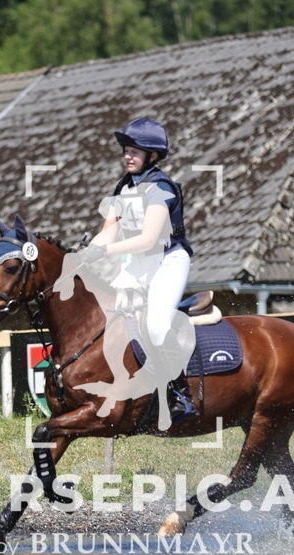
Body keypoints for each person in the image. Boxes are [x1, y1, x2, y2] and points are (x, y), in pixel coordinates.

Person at [76, 118, 198, 423]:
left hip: (168, 260)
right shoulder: (123, 187)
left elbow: (147, 239)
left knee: (155, 325)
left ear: (152, 156)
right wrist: (82, 255)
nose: (128, 156)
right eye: (127, 150)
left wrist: (102, 251)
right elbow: (109, 232)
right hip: (139, 262)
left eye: (135, 151)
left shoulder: (161, 188)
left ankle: (180, 393)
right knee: (109, 316)